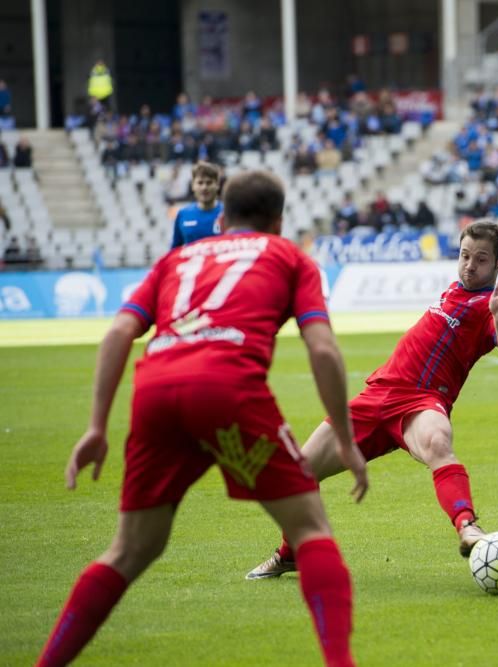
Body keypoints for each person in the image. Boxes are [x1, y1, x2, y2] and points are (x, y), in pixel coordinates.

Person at [36, 170, 368, 667]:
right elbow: (322, 348)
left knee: (130, 549)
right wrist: (344, 438)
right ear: (278, 220)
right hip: (227, 395)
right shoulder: (290, 257)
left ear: (220, 217)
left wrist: (97, 427)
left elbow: (119, 332)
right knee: (310, 530)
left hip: (155, 398)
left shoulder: (176, 259)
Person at [246, 220, 498, 579]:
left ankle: (467, 526)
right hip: (376, 394)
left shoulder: (488, 306)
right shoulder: (457, 287)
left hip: (421, 402)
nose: (470, 266)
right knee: (302, 471)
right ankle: (291, 554)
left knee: (438, 443)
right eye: (465, 256)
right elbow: (479, 258)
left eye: (481, 260)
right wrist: (495, 253)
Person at [170, 161, 223, 248]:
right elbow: (175, 250)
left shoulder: (228, 213)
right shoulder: (183, 214)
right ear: (193, 186)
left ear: (217, 185)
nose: (204, 187)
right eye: (200, 183)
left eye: (209, 183)